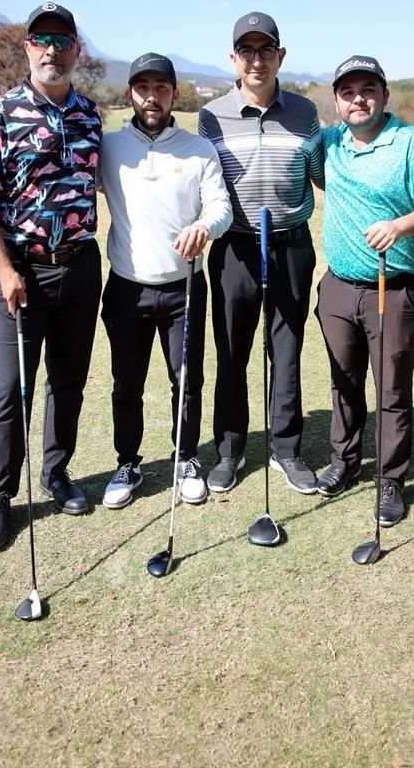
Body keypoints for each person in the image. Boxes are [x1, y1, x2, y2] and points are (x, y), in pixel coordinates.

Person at [0, 2, 103, 551]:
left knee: (68, 382)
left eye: (62, 41)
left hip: (81, 267)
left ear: (76, 50)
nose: (52, 50)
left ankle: (56, 472)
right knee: (8, 391)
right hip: (20, 273)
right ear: (27, 47)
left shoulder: (91, 114)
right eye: (41, 40)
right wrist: (3, 269)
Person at [315, 55, 414, 525]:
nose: (359, 99)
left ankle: (391, 479)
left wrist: (399, 225)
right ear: (337, 101)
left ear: (384, 95)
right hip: (337, 285)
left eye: (368, 89)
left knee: (391, 387)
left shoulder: (412, 142)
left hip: (391, 288)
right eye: (349, 91)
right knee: (343, 381)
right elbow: (309, 172)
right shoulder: (329, 143)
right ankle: (345, 462)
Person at [198, 12, 324, 495]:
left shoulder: (305, 113)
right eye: (246, 51)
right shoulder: (212, 116)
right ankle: (229, 452)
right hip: (235, 249)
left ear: (280, 56)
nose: (256, 60)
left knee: (287, 351)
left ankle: (287, 449)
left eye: (265, 50)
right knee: (232, 352)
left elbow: (321, 175)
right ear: (233, 59)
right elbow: (203, 186)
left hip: (291, 245)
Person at [98, 53, 232, 509]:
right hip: (126, 287)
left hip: (184, 288)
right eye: (143, 87)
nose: (151, 96)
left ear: (175, 94)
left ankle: (186, 458)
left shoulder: (198, 150)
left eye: (161, 87)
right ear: (130, 94)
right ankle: (128, 462)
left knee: (187, 379)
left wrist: (206, 228)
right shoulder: (109, 147)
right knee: (126, 382)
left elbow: (220, 206)